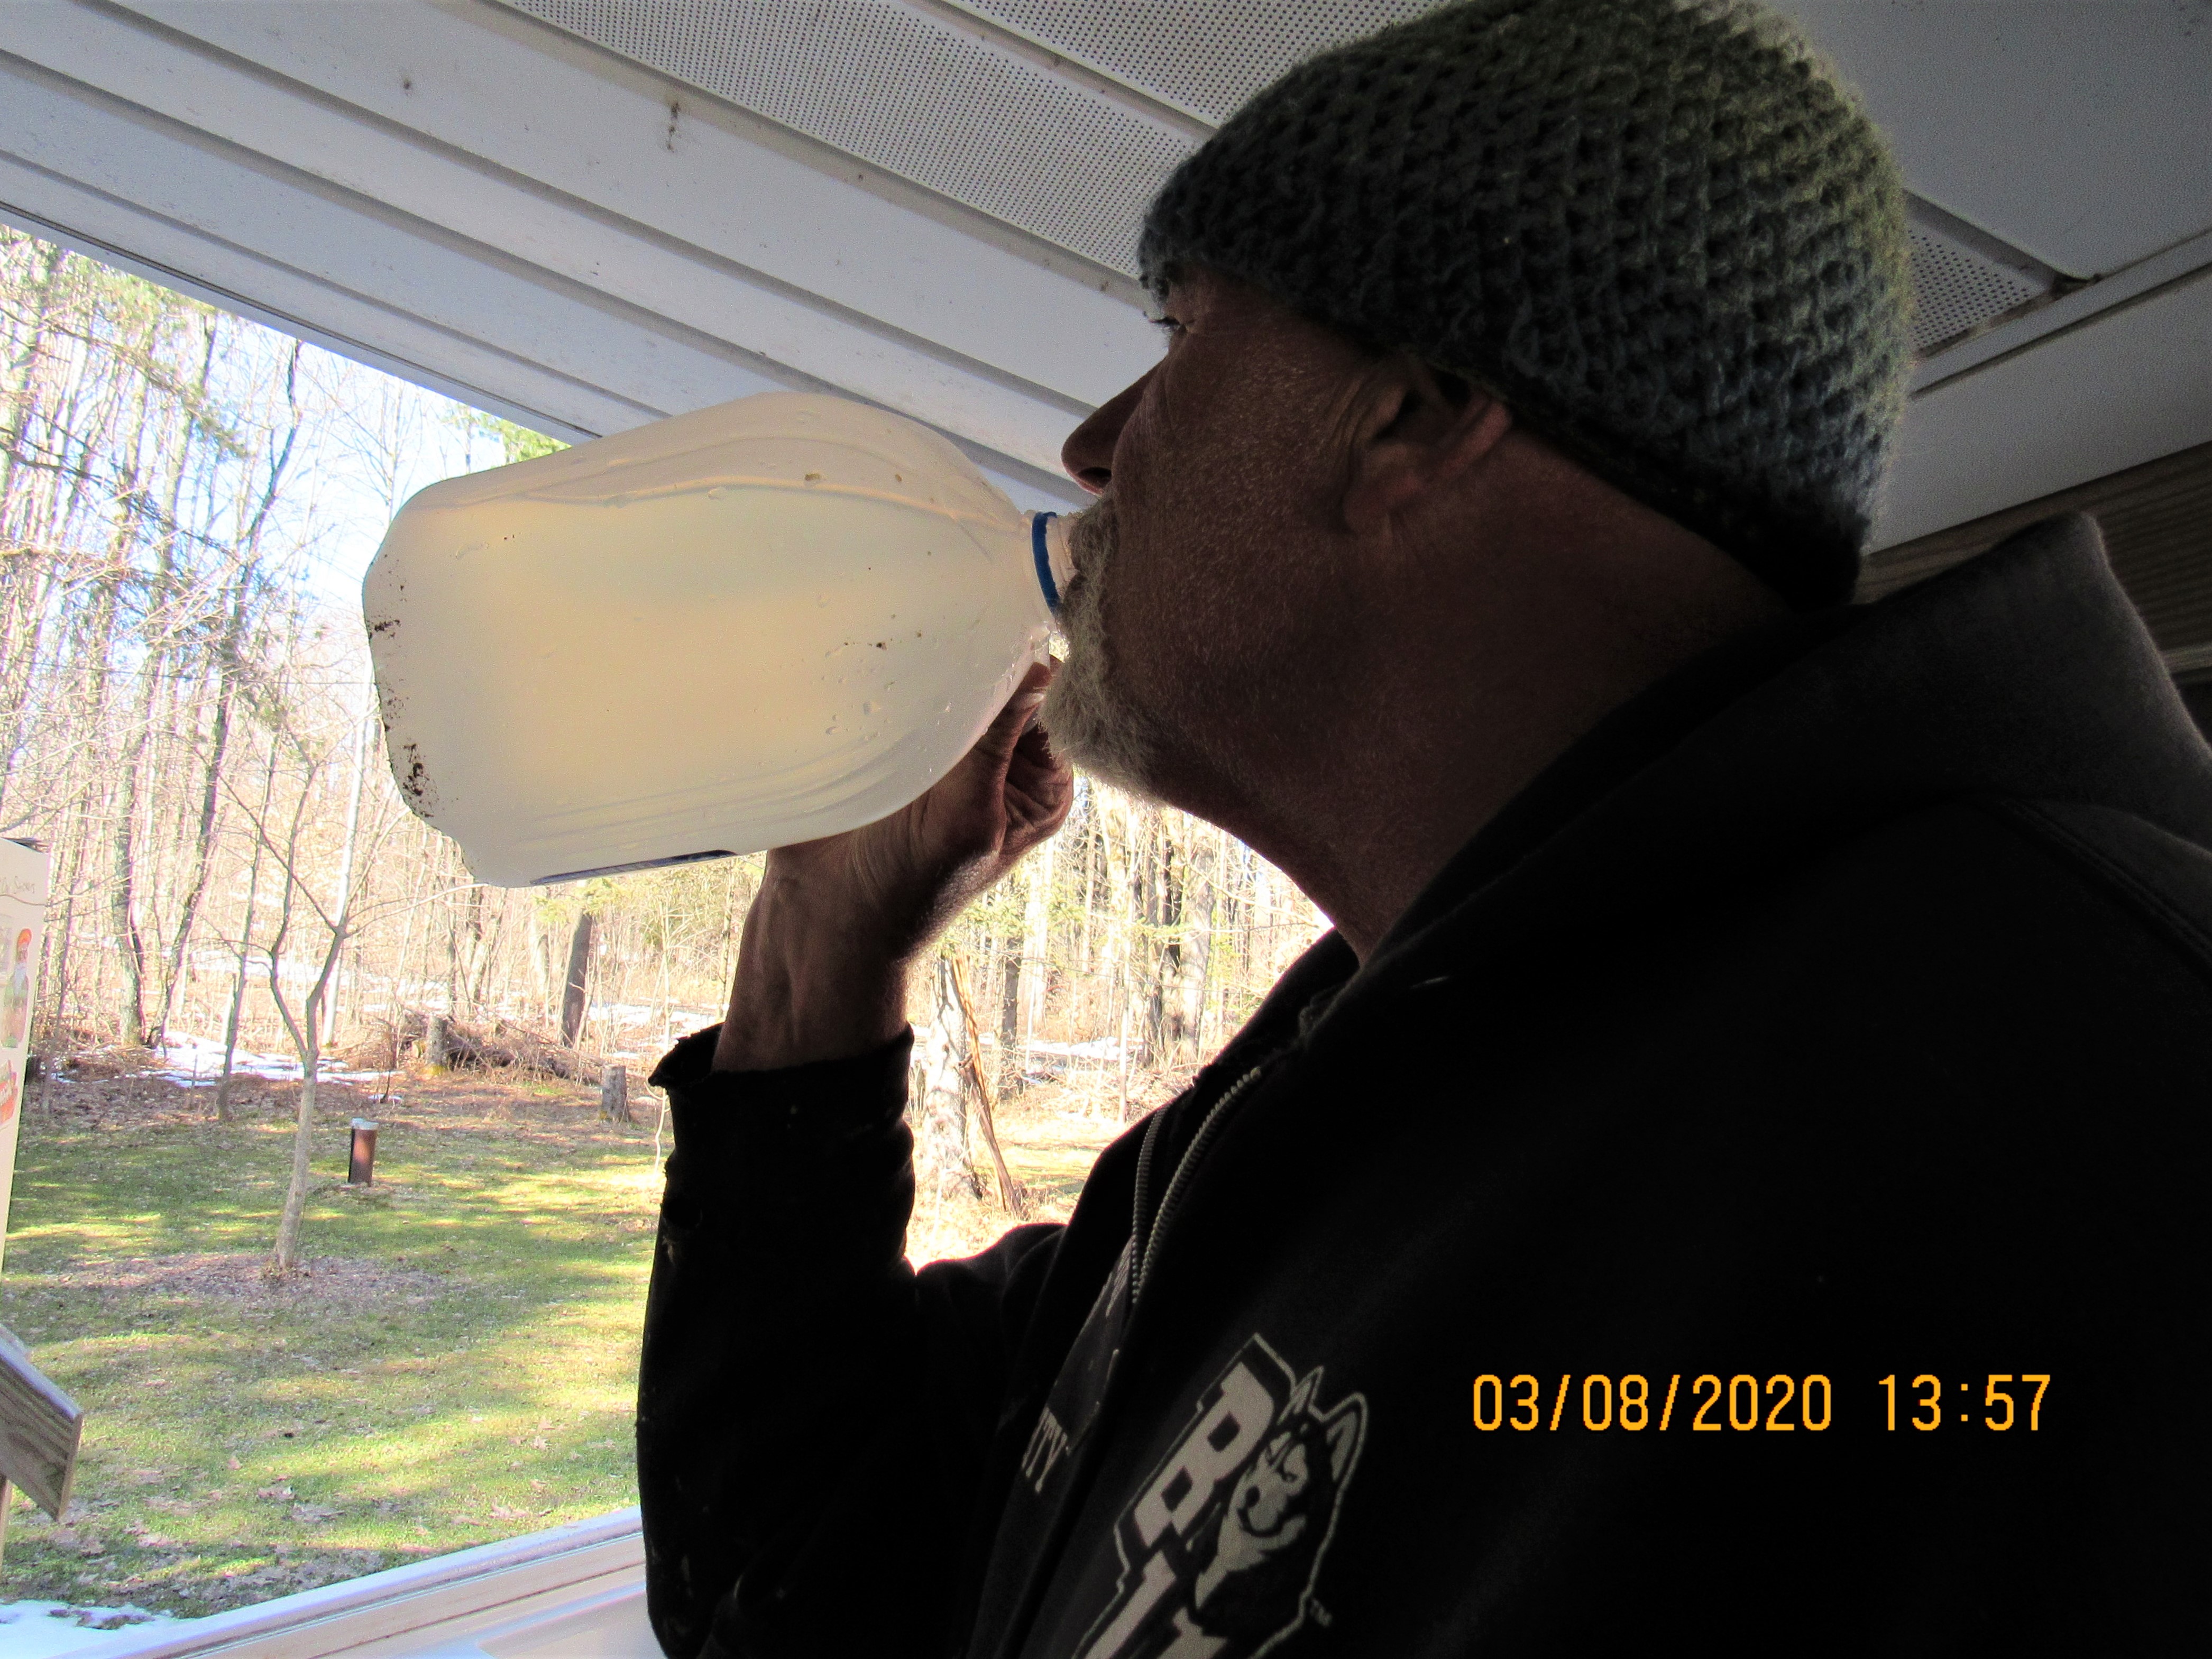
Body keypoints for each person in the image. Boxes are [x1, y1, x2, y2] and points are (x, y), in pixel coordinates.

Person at [638, 2, 2212, 1654]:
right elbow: (809, 1589)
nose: (1095, 447)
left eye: (1182, 336)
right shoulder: (1338, 1071)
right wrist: (825, 942)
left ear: (1418, 409)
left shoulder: (2092, 1120)